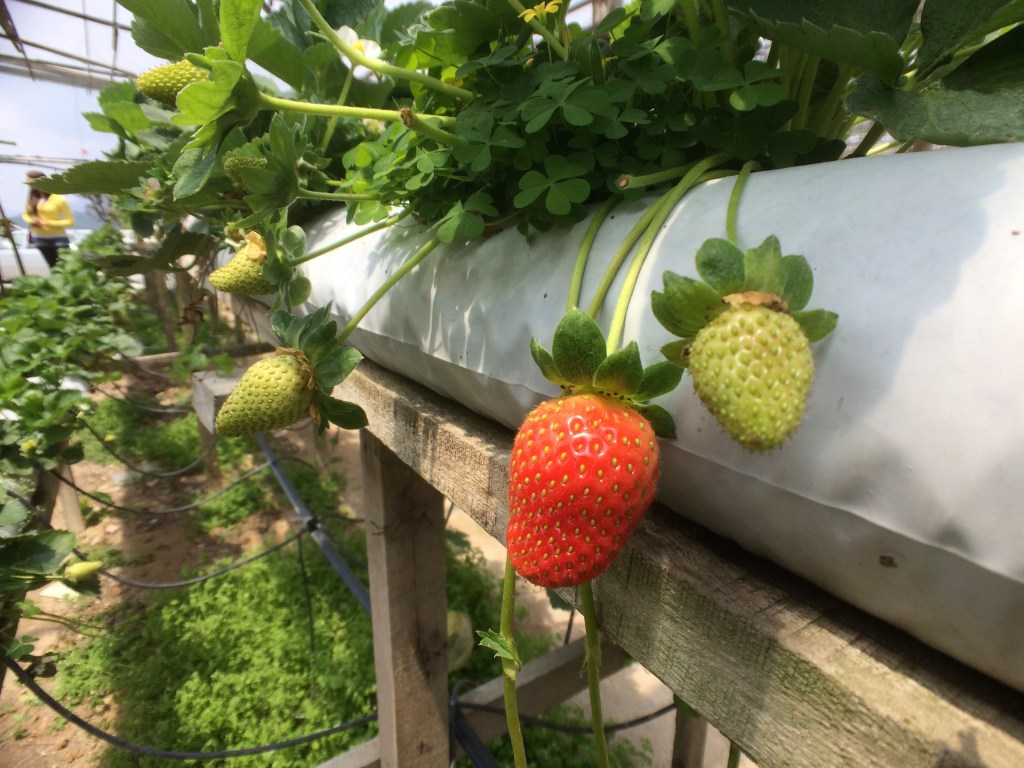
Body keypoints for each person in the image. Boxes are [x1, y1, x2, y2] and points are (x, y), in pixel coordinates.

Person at [22, 170, 74, 268]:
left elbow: (70, 221)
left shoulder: (58, 198)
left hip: (59, 238)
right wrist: (32, 220)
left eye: (31, 182)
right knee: (52, 266)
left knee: (66, 266)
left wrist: (47, 223)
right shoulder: (32, 199)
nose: (29, 185)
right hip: (40, 238)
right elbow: (25, 215)